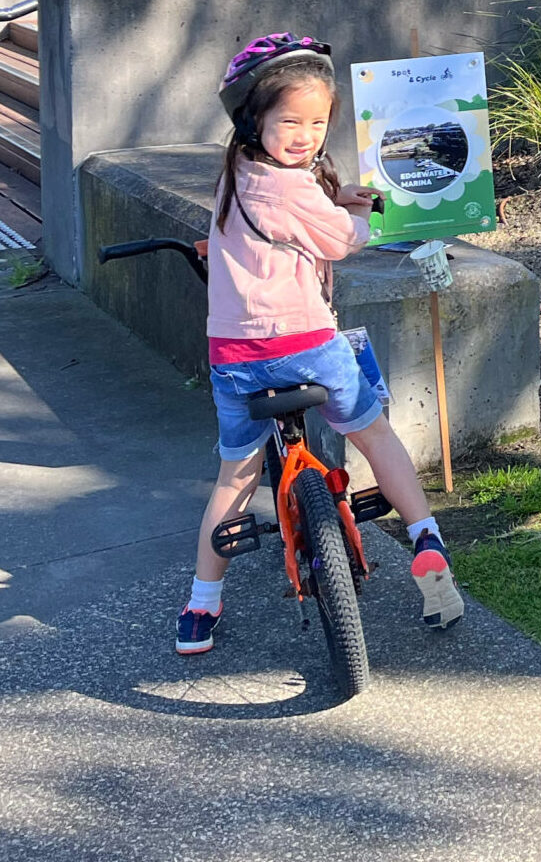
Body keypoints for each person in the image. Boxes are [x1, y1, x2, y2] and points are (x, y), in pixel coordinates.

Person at [176, 33, 465, 655]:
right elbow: (340, 241)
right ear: (256, 119)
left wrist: (329, 197)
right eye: (291, 122)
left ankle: (201, 605)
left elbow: (279, 212)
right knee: (374, 433)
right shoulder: (297, 189)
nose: (305, 135)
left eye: (316, 122)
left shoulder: (234, 175)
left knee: (235, 477)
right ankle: (426, 536)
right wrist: (360, 215)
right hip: (308, 346)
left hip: (234, 358)